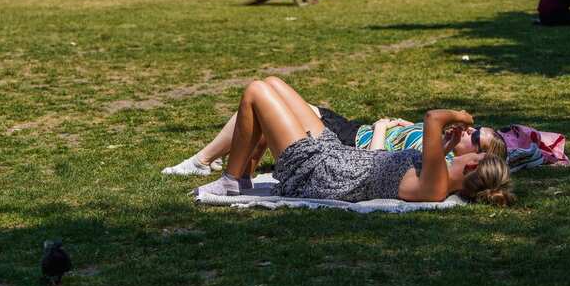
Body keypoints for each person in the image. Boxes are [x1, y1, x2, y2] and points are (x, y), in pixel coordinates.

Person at [192, 78, 514, 205]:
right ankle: (240, 171)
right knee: (274, 83)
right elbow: (414, 167)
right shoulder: (438, 176)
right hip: (334, 154)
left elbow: (433, 118)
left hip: (320, 171)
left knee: (255, 92)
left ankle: (233, 181)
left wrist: (462, 116)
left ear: (472, 164)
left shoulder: (437, 183)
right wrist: (445, 147)